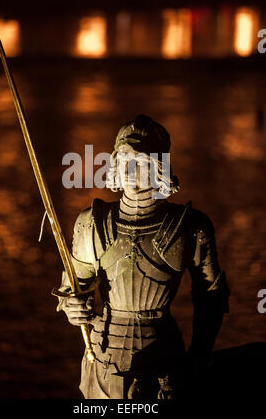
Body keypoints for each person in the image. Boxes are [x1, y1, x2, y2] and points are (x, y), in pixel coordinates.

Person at [54, 114, 229, 400]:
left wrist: (198, 358)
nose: (130, 171)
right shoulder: (91, 223)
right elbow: (73, 285)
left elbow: (211, 298)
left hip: (165, 361)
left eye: (141, 162)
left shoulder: (192, 226)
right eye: (122, 162)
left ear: (159, 167)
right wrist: (72, 306)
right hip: (101, 359)